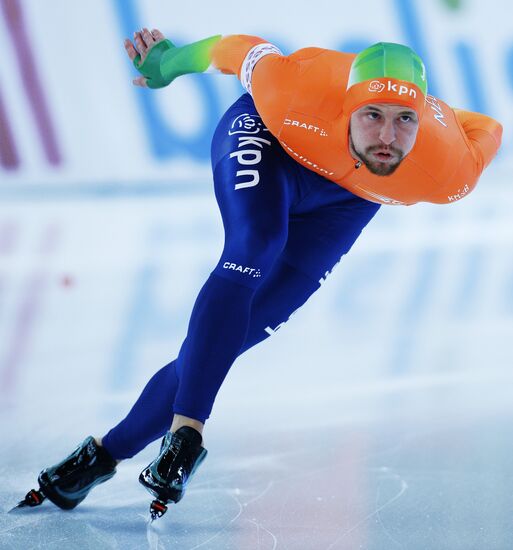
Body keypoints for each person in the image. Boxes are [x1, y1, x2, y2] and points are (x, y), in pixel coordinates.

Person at [15, 29, 502, 520]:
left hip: (349, 201)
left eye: (404, 121)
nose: (387, 137)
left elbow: (489, 126)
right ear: (346, 108)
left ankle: (100, 456)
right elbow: (236, 49)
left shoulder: (448, 171)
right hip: (271, 142)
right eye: (371, 115)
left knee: (229, 338)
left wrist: (445, 117)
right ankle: (188, 432)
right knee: (255, 244)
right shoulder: (294, 90)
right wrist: (168, 63)